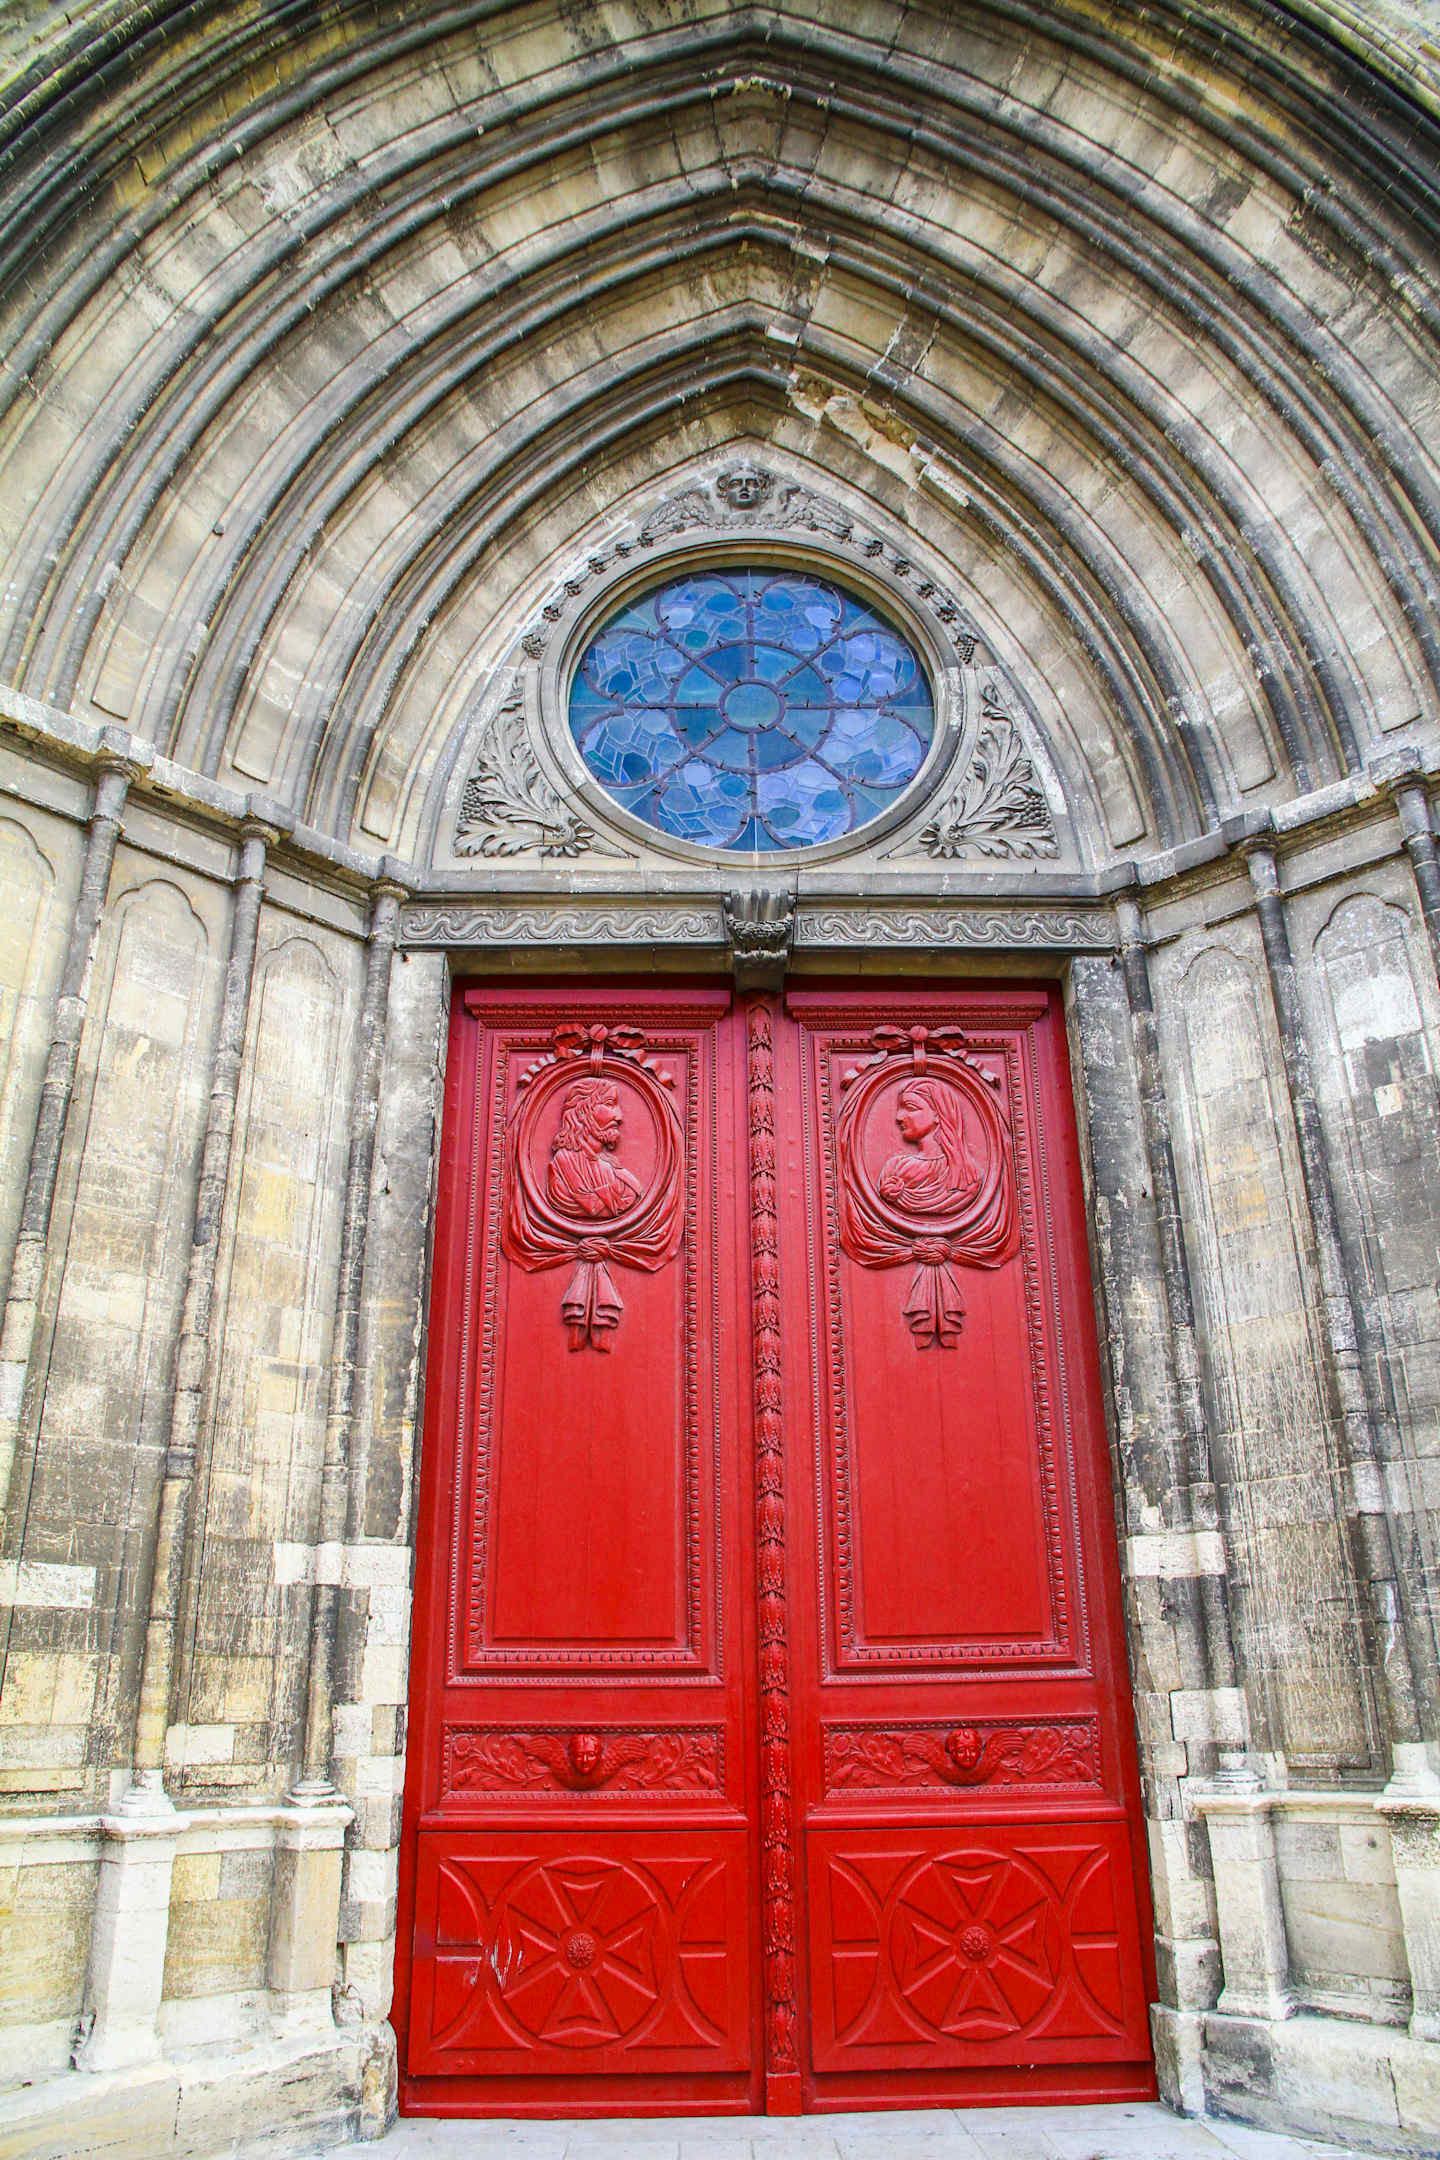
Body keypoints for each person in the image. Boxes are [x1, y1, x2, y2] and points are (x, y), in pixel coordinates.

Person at [878, 1078, 980, 1215]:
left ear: (938, 1114)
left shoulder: (968, 1176)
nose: (899, 1117)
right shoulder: (895, 1168)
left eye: (910, 1108)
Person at [547, 1078, 642, 1218]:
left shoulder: (610, 1166)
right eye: (609, 1104)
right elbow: (595, 1207)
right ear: (582, 1112)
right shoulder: (566, 1162)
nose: (619, 1116)